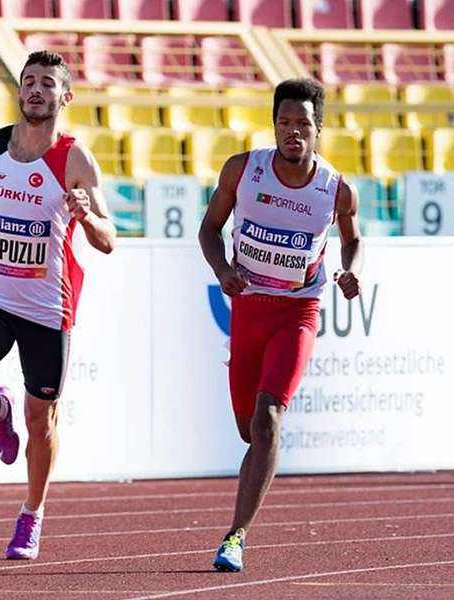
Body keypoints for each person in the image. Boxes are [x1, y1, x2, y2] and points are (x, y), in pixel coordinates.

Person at [0, 50, 115, 560]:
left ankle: (32, 515)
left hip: (47, 307)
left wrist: (87, 218)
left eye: (47, 83)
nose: (36, 90)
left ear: (66, 97)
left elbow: (109, 239)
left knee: (43, 422)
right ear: (20, 91)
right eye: (29, 82)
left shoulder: (74, 158)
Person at [198, 78, 363, 572]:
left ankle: (235, 537)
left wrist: (352, 269)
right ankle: (243, 512)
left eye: (303, 125)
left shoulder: (335, 189)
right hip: (249, 308)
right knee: (249, 431)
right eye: (284, 123)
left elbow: (353, 239)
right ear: (274, 125)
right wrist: (224, 270)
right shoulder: (242, 170)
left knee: (269, 419)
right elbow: (209, 228)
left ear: (319, 130)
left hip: (298, 311)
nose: (293, 133)